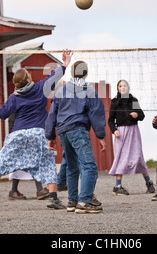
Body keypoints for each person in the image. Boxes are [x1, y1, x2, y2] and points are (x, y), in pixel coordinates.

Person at [0, 49, 73, 212]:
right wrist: (65, 64)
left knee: (3, 162)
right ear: (28, 79)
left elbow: (2, 113)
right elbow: (55, 77)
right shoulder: (40, 88)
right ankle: (54, 199)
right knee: (48, 162)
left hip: (18, 134)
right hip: (38, 133)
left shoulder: (14, 97)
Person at [45, 60, 107, 214]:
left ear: (72, 73)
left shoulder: (61, 90)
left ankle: (72, 201)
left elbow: (52, 115)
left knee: (72, 167)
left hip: (63, 132)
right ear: (86, 73)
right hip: (77, 130)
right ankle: (85, 201)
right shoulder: (88, 89)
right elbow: (96, 112)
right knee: (89, 166)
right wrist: (100, 136)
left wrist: (50, 136)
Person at [107, 79, 155, 195]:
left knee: (138, 156)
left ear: (128, 88)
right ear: (117, 88)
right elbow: (110, 121)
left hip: (133, 130)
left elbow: (142, 115)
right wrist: (114, 131)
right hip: (121, 132)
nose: (123, 88)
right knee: (121, 157)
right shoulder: (114, 102)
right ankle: (117, 186)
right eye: (120, 86)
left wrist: (136, 115)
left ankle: (149, 183)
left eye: (125, 86)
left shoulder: (133, 100)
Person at [7, 113, 49, 200]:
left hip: (30, 134)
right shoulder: (17, 100)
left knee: (33, 160)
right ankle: (15, 190)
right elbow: (11, 120)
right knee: (20, 163)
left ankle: (38, 189)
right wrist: (13, 135)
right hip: (20, 135)